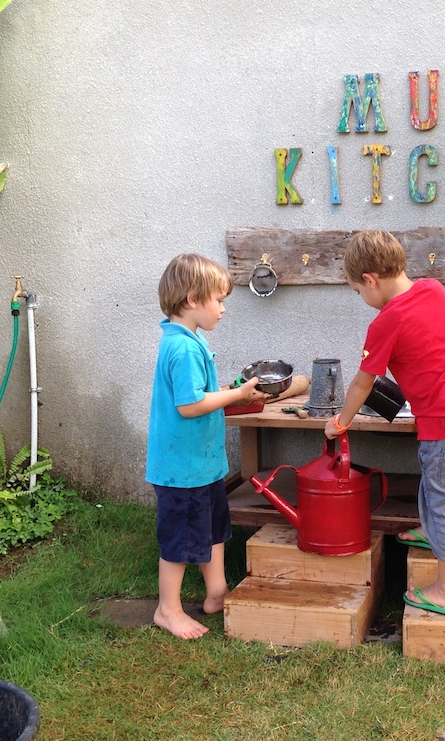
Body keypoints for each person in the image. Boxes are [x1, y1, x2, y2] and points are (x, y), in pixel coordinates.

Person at [324, 230, 445, 616]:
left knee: (442, 499)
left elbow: (361, 382)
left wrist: (341, 421)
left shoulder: (386, 321)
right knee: (444, 486)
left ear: (370, 279)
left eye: (359, 292)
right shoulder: (433, 289)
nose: (363, 300)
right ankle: (431, 532)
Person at [146, 253, 268, 638]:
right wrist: (235, 396)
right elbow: (189, 405)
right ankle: (168, 610)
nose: (223, 308)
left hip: (201, 465)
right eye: (219, 299)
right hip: (182, 470)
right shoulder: (182, 349)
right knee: (181, 540)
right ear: (192, 300)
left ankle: (216, 593)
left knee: (214, 529)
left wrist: (232, 392)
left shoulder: (189, 340)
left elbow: (199, 394)